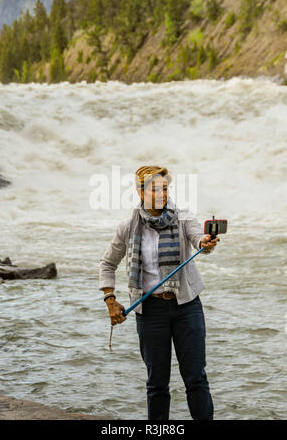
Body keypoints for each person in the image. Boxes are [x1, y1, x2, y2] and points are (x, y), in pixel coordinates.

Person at [99, 165, 219, 420]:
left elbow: (199, 239)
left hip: (186, 307)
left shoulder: (184, 218)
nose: (162, 194)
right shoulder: (127, 227)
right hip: (150, 312)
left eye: (165, 188)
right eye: (155, 189)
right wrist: (110, 300)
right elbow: (107, 264)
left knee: (196, 378)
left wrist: (205, 243)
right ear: (141, 192)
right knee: (157, 384)